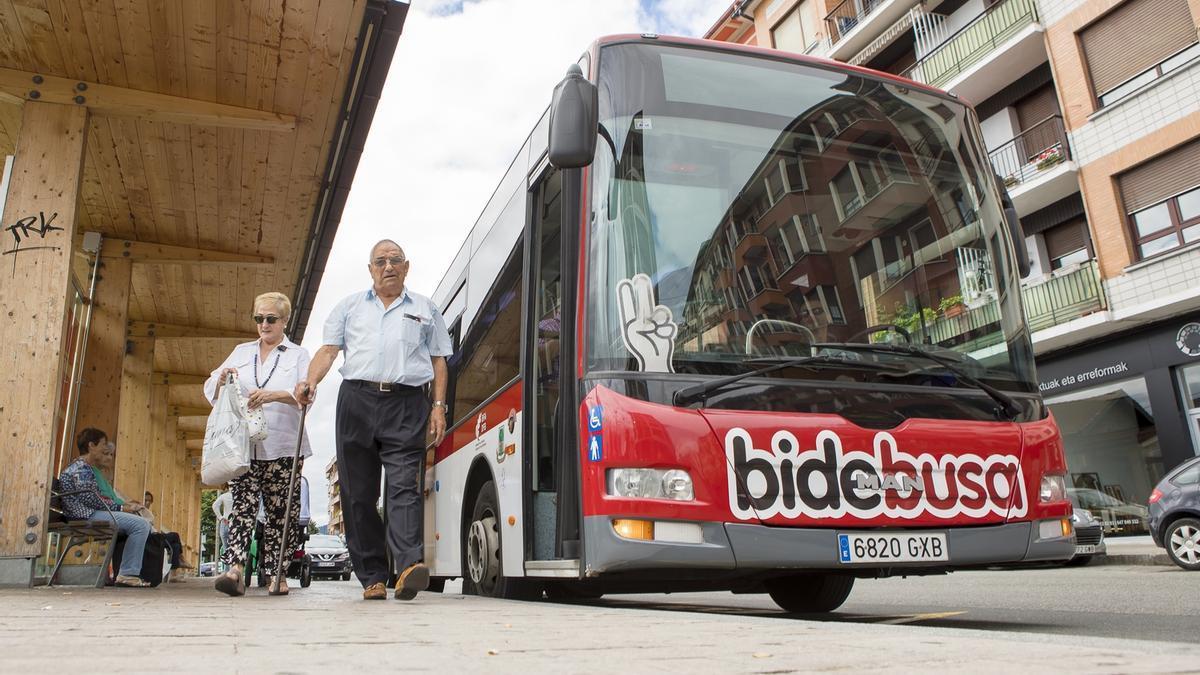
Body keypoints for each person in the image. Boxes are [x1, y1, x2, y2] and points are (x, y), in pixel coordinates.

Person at [296, 240, 451, 601]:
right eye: (380, 261)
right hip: (357, 401)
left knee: (404, 487)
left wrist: (438, 406)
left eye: (395, 260)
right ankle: (373, 577)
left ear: (407, 267)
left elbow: (439, 360)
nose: (388, 266)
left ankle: (409, 565)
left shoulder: (426, 309)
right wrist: (311, 380)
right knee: (357, 494)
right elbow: (329, 350)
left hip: (408, 403)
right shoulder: (349, 307)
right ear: (370, 269)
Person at [204, 291, 312, 597]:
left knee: (282, 512)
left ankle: (276, 574)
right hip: (244, 446)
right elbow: (210, 388)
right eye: (259, 318)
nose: (263, 324)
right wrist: (223, 376)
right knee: (243, 505)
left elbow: (306, 395)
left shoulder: (298, 355)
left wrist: (273, 395)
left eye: (270, 319)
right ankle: (235, 569)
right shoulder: (241, 351)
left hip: (283, 444)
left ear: (284, 320)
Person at [57, 429, 153, 588]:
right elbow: (90, 499)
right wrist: (121, 507)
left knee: (138, 524)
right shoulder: (81, 468)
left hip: (86, 513)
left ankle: (126, 573)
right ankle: (127, 574)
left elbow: (92, 498)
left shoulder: (82, 467)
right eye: (102, 444)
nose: (104, 448)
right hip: (85, 515)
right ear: (91, 446)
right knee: (140, 525)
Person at [142, 491, 190, 578]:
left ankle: (173, 575)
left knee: (175, 546)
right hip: (149, 538)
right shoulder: (139, 512)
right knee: (175, 535)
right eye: (145, 500)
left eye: (149, 501)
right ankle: (181, 558)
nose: (147, 503)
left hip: (154, 536)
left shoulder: (148, 513)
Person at [212, 490, 233, 554]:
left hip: (226, 522)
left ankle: (227, 561)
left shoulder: (224, 496)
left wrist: (220, 517)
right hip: (237, 523)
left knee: (226, 548)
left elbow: (214, 506)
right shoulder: (240, 496)